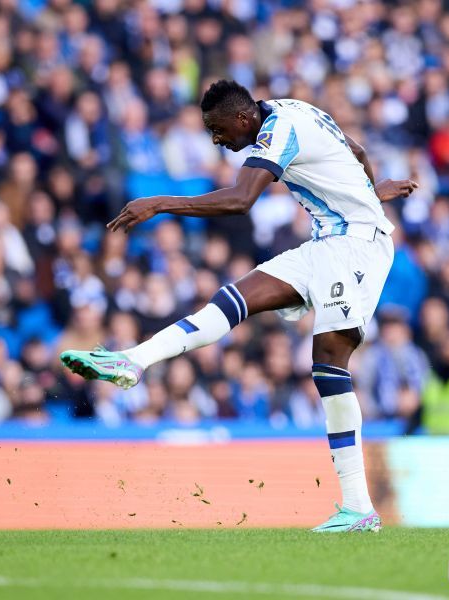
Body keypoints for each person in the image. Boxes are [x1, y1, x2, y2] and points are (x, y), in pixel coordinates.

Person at [60, 80, 417, 533]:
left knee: (328, 363)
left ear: (243, 119)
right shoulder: (291, 108)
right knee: (231, 301)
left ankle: (359, 508)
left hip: (356, 248)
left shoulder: (278, 129)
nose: (216, 139)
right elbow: (357, 149)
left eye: (217, 129)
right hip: (327, 242)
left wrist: (160, 203)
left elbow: (240, 200)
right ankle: (133, 361)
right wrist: (369, 191)